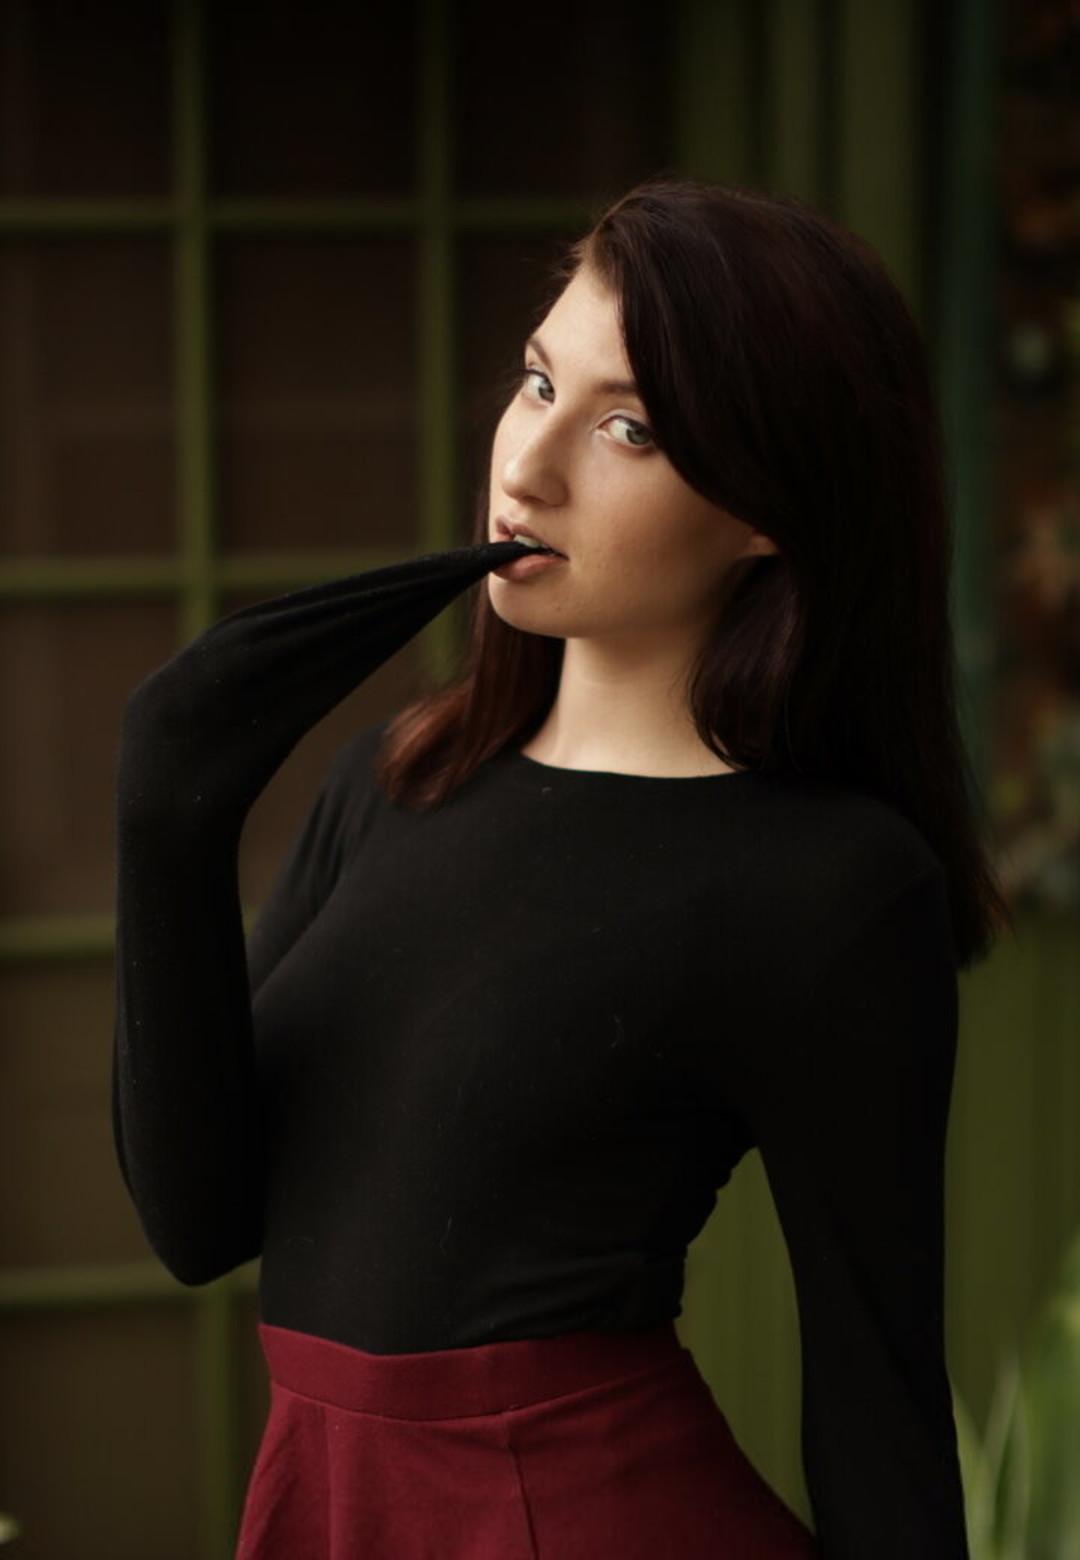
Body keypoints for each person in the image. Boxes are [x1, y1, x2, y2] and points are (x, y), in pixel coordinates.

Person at [112, 174, 1011, 1558]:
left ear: (771, 506)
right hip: (328, 1502)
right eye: (538, 383)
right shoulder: (395, 778)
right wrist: (169, 822)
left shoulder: (826, 883)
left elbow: (873, 1390)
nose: (527, 469)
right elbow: (199, 1222)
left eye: (626, 428)